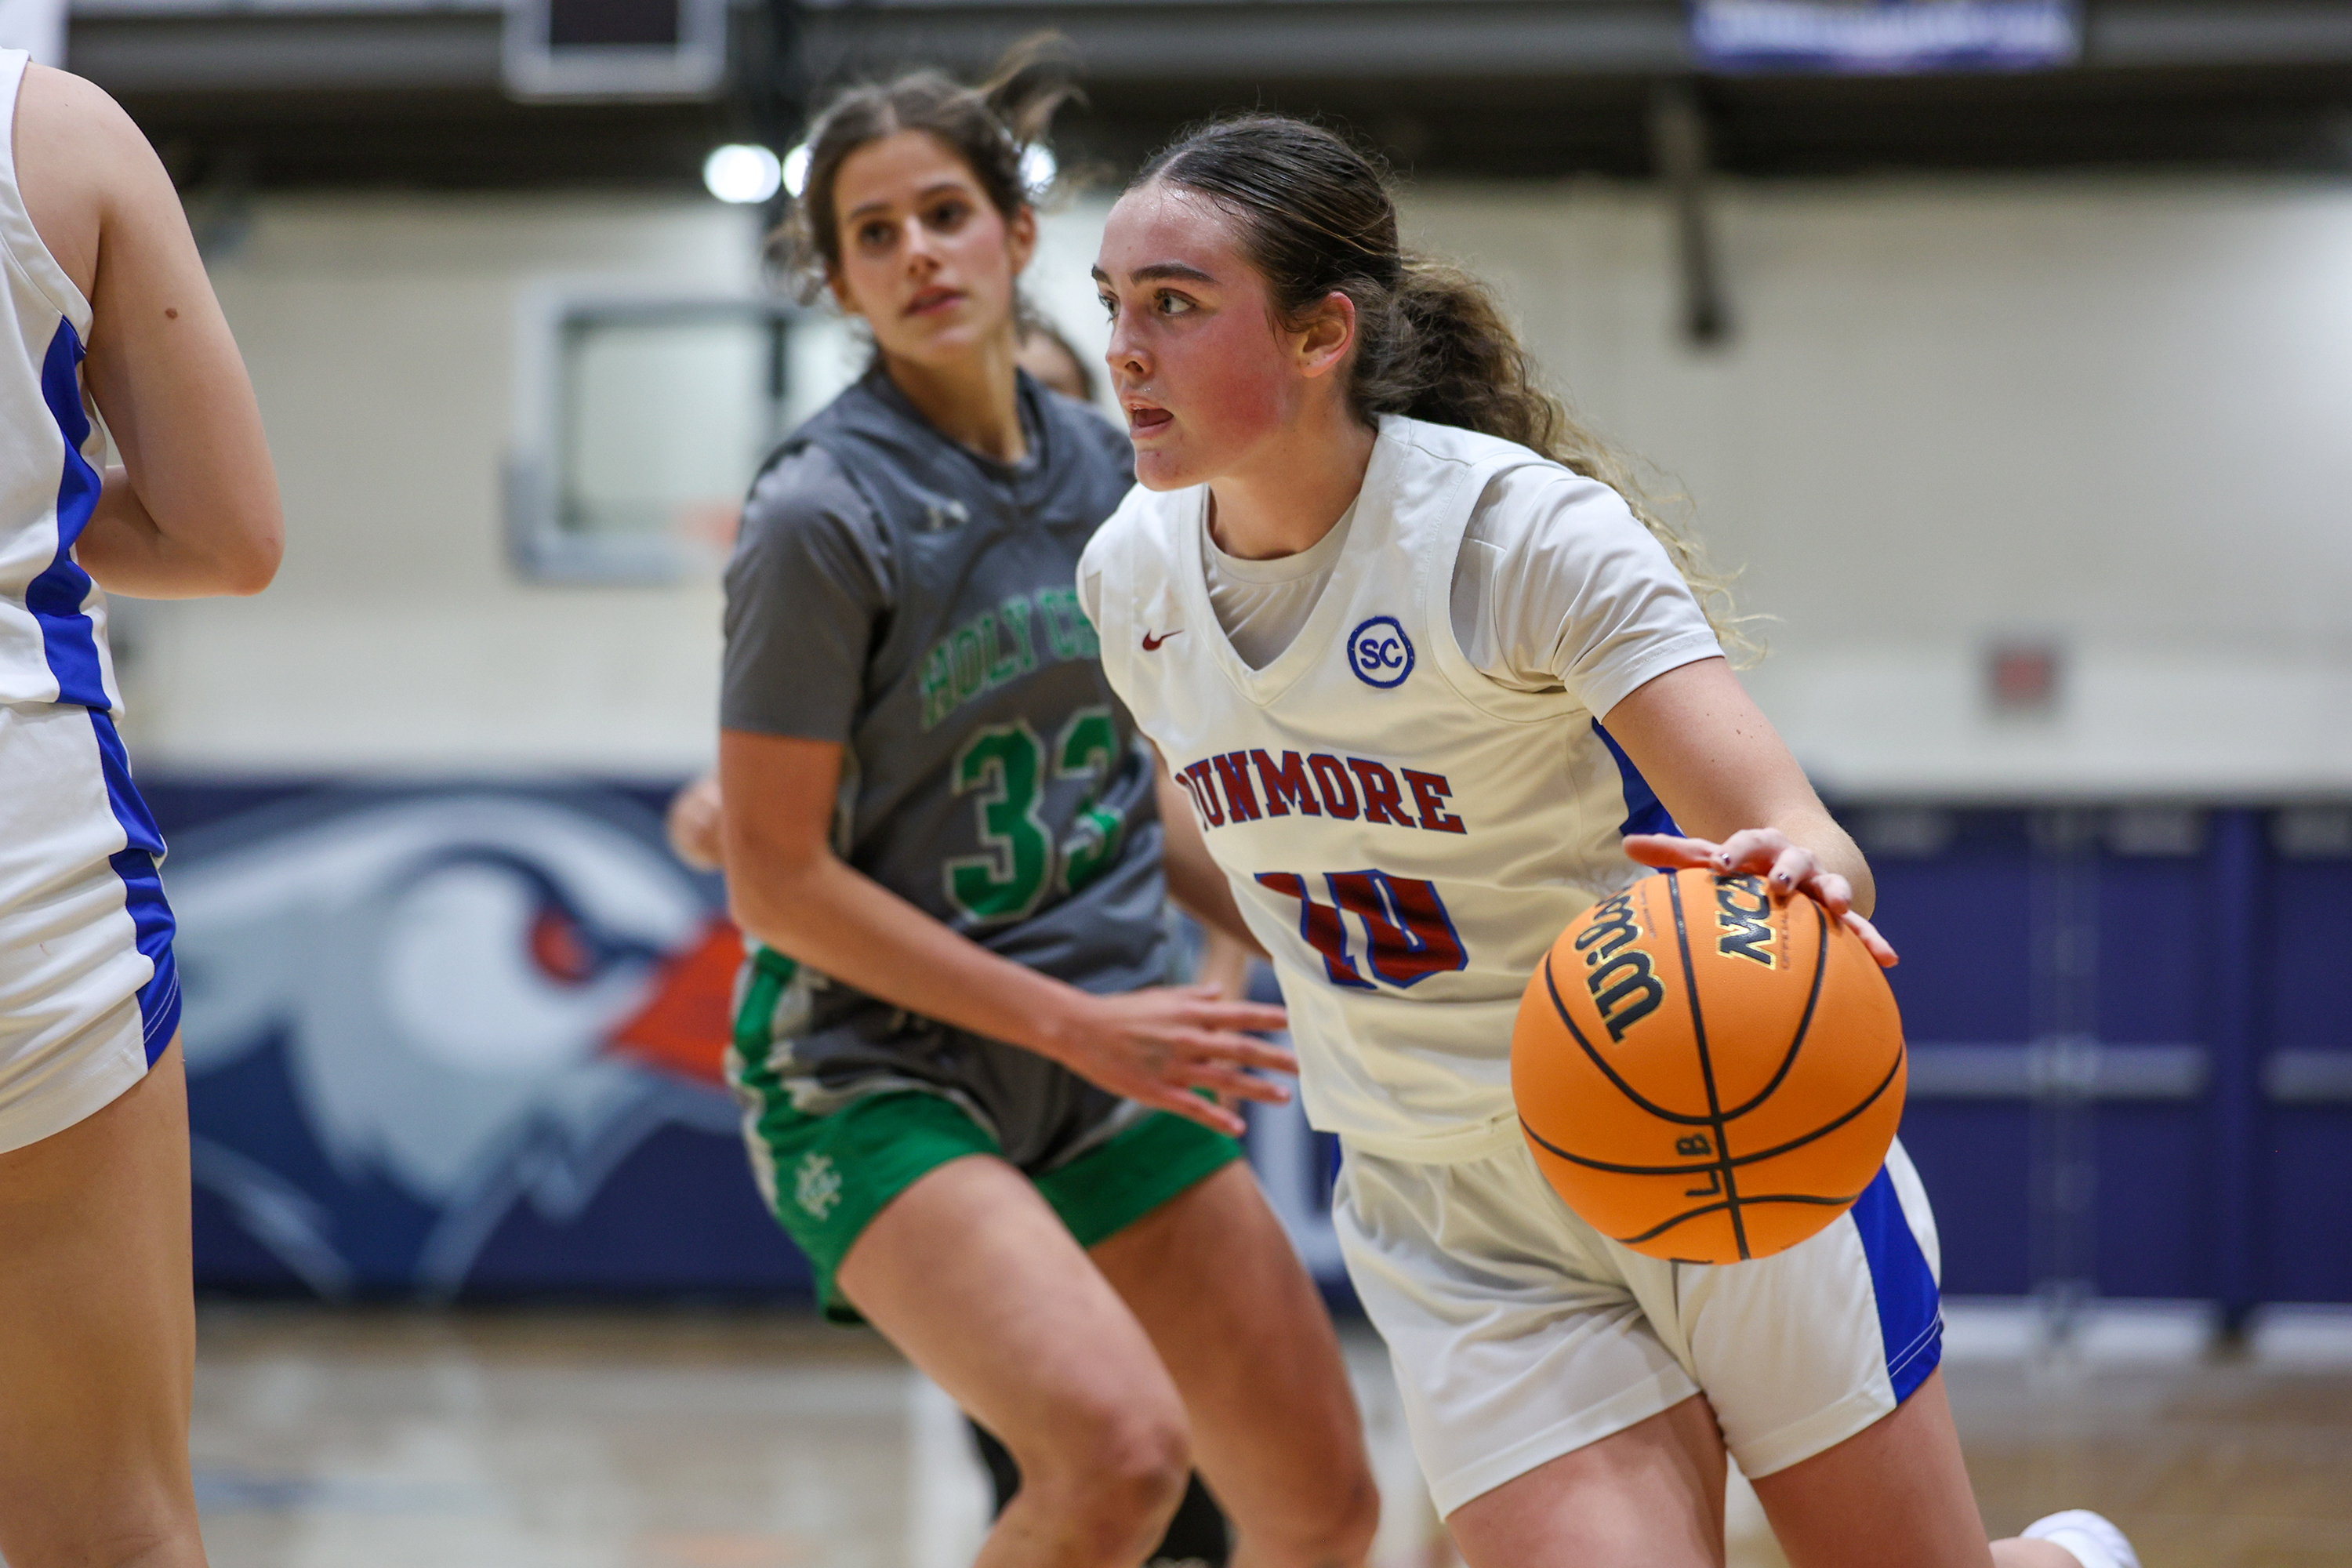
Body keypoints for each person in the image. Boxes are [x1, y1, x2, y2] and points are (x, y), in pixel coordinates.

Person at [1080, 114, 2139, 1568]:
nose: (1126, 350)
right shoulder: (1127, 578)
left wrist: (1802, 880)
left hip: (1702, 1127)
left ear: (1321, 335)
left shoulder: (1517, 536)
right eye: (1114, 307)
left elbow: (1789, 828)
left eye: (1176, 306)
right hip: (1447, 1204)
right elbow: (1270, 862)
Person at [710, 57, 1377, 1568]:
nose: (918, 254)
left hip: (1097, 1040)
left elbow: (1141, 777)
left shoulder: (1126, 477)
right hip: (881, 1065)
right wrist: (1077, 1025)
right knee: (1119, 1461)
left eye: (945, 213)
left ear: (1020, 232)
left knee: (1324, 1508)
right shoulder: (821, 514)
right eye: (873, 235)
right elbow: (774, 880)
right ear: (836, 279)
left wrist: (1323, 936)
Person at [0, 51, 281, 1568]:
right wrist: (38, 490)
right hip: (17, 874)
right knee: (99, 1530)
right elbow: (228, 533)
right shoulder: (52, 128)